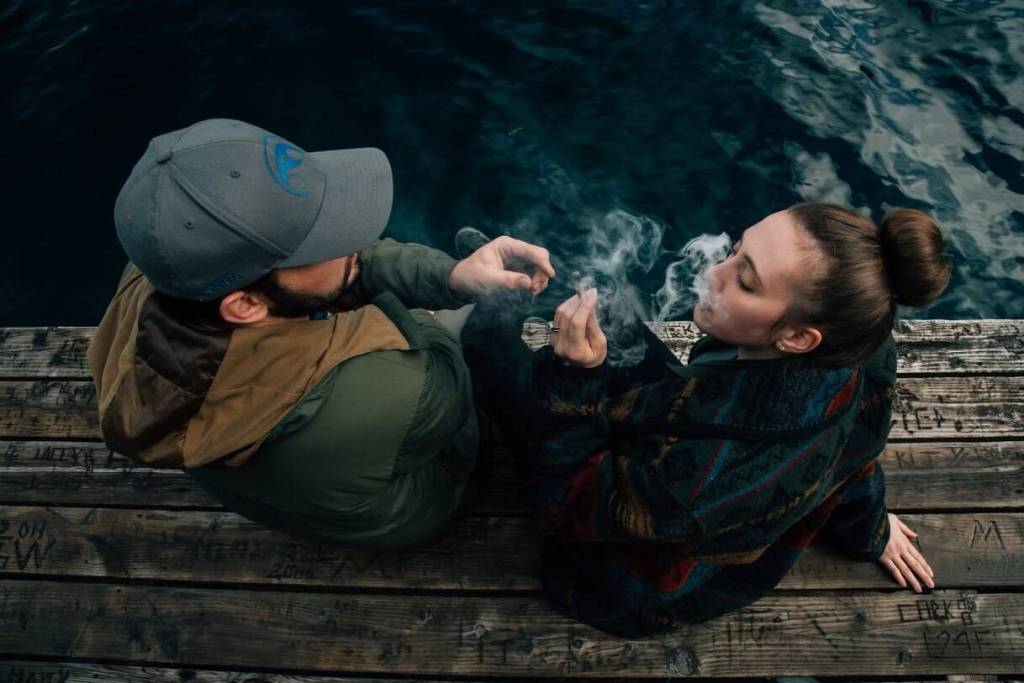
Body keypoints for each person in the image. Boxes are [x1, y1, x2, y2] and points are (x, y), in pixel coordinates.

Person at [460, 203, 951, 637]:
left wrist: (576, 379)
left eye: (745, 280)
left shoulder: (701, 476)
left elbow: (562, 507)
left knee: (495, 358)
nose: (715, 271)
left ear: (798, 338)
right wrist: (869, 530)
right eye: (736, 250)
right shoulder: (864, 349)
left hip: (615, 579)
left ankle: (482, 312)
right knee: (612, 315)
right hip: (683, 428)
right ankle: (517, 281)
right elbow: (856, 457)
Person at [87, 118, 553, 549]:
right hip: (414, 506)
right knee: (462, 374)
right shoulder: (393, 384)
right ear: (246, 305)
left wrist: (450, 277)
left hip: (281, 490)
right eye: (318, 243)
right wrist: (422, 311)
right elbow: (443, 378)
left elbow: (337, 273)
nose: (351, 244)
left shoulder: (164, 266)